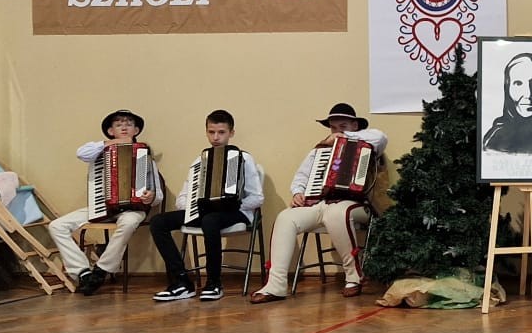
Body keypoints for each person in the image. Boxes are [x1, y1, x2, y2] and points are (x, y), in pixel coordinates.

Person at [251, 103, 386, 303]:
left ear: (355, 125)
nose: (336, 132)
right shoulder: (321, 150)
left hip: (356, 204)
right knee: (286, 217)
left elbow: (381, 137)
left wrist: (345, 136)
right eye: (333, 128)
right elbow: (301, 177)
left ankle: (353, 276)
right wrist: (298, 192)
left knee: (336, 213)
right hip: (320, 203)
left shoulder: (369, 142)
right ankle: (275, 285)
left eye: (343, 126)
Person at [149, 110, 264, 303]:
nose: (216, 137)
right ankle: (181, 282)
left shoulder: (244, 158)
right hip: (204, 213)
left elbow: (257, 198)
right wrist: (196, 206)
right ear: (206, 132)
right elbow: (182, 198)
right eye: (211, 132)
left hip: (238, 212)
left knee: (211, 220)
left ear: (231, 133)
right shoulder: (199, 162)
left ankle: (213, 283)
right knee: (158, 222)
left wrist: (231, 204)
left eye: (221, 132)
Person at [45, 110, 162, 294]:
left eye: (129, 124)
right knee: (56, 226)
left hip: (133, 209)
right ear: (110, 131)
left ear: (136, 130)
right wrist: (112, 143)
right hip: (102, 207)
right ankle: (83, 273)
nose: (124, 127)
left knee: (129, 222)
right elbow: (81, 153)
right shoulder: (99, 152)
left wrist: (151, 197)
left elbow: (158, 196)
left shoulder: (144, 156)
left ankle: (101, 271)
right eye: (118, 124)